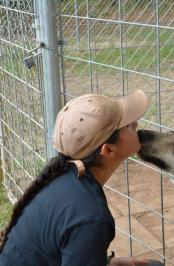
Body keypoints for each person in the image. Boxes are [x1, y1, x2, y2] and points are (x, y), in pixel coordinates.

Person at [0, 90, 163, 266]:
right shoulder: (92, 216)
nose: (136, 123)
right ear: (108, 150)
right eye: (129, 126)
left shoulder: (62, 178)